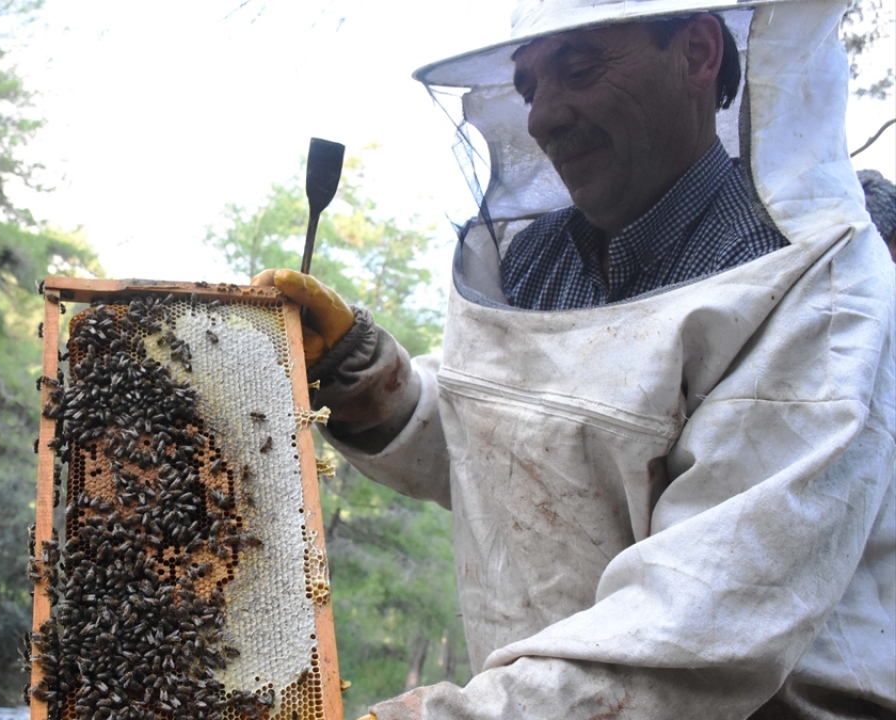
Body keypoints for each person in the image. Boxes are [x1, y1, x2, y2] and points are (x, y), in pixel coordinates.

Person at [255, 0, 895, 717]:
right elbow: (511, 455)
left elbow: (694, 631)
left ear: (696, 54)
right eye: (529, 88)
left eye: (579, 69)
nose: (542, 117)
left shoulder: (812, 287)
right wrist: (361, 373)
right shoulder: (536, 262)